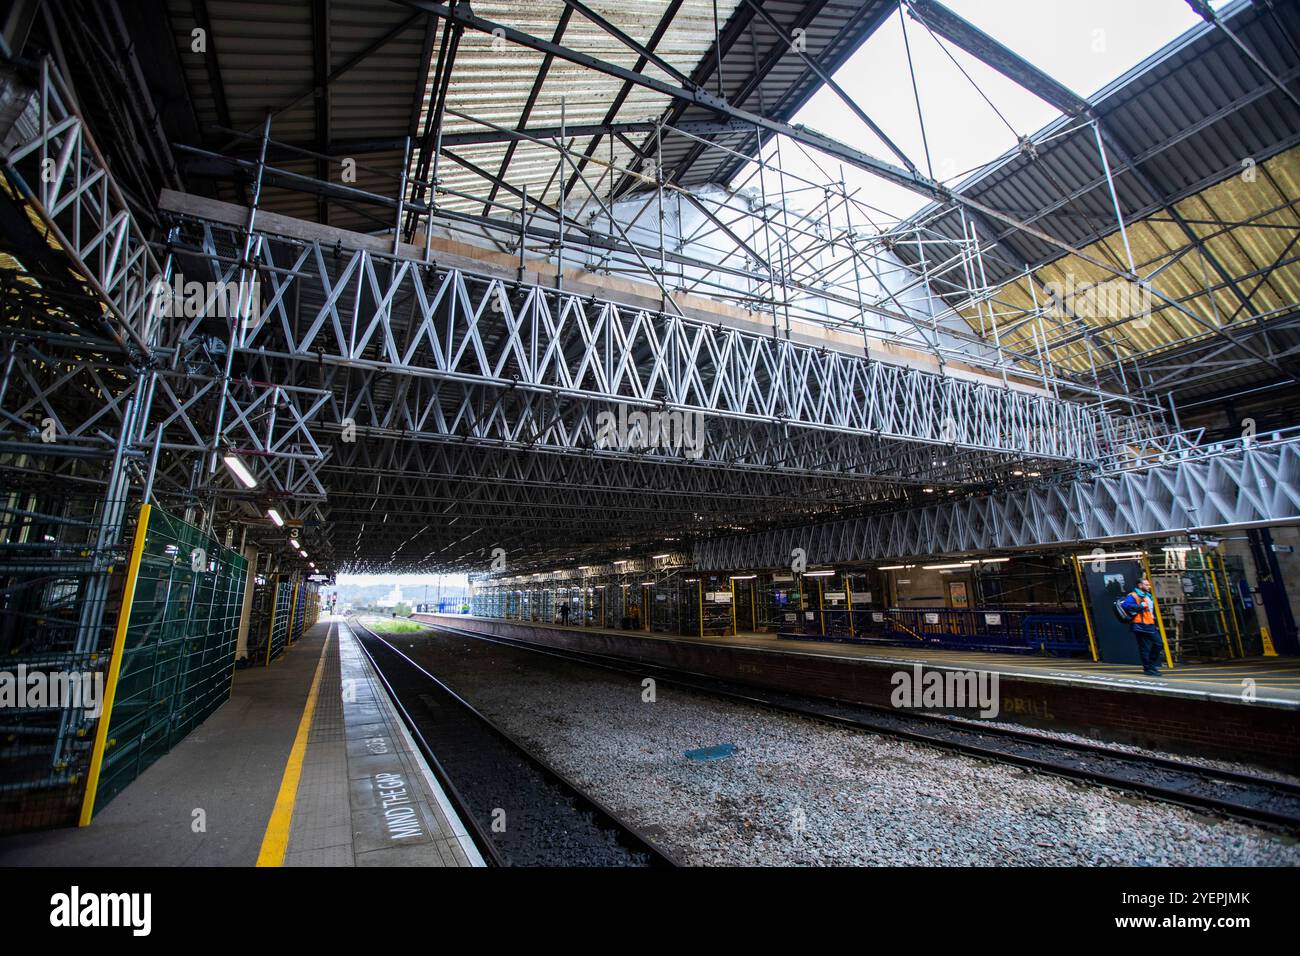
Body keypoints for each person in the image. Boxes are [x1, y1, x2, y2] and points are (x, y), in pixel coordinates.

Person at [1120, 578, 1164, 677]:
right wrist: (1140, 606)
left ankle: (1149, 666)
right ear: (1140, 585)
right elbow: (1126, 605)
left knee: (1157, 644)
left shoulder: (1148, 596)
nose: (1149, 586)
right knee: (1148, 647)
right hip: (1140, 625)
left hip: (1149, 624)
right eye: (1146, 585)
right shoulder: (1133, 595)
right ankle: (1149, 668)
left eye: (1148, 584)